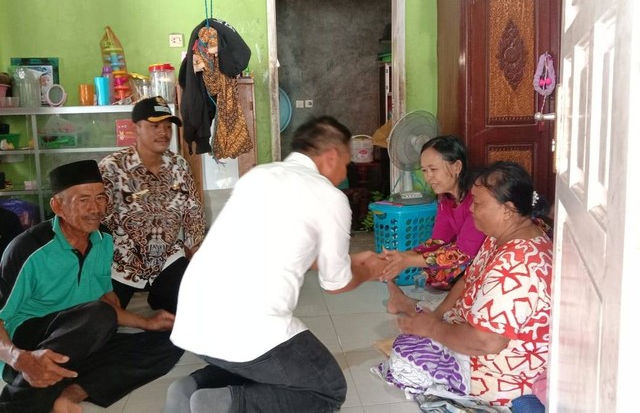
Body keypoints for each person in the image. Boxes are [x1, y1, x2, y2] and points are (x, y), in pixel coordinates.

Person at [165, 116, 387, 413]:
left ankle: (190, 389)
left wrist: (343, 262)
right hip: (249, 325)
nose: (343, 173)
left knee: (255, 365)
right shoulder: (329, 196)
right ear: (332, 156)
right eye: (345, 163)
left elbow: (276, 250)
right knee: (327, 388)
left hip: (195, 317)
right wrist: (371, 270)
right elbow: (337, 283)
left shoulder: (259, 176)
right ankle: (220, 404)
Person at [0, 160, 183, 413]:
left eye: (100, 198)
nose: (95, 208)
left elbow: (104, 304)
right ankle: (17, 403)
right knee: (99, 315)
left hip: (82, 339)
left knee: (172, 341)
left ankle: (70, 393)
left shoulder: (103, 239)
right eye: (83, 200)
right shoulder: (27, 249)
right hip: (30, 350)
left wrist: (148, 323)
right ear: (58, 206)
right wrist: (18, 359)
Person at [381, 161, 552, 408]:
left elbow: (487, 342)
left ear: (507, 210)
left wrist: (432, 329)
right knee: (417, 329)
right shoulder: (504, 237)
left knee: (403, 358)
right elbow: (467, 279)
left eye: (479, 203)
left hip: (501, 375)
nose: (471, 209)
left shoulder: (516, 265)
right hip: (475, 332)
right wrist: (437, 317)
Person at [99, 96, 205, 314]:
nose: (164, 132)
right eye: (155, 125)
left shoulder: (178, 166)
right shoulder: (113, 167)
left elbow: (192, 211)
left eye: (167, 126)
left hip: (168, 259)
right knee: (103, 319)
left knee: (195, 305)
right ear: (136, 128)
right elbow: (98, 220)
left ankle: (160, 297)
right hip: (123, 264)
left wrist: (195, 250)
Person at [381, 135, 485, 289]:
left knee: (442, 269)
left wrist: (408, 260)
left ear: (457, 167)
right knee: (434, 271)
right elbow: (438, 240)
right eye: (424, 170)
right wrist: (404, 255)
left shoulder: (477, 197)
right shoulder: (445, 198)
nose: (428, 177)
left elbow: (464, 253)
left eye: (433, 169)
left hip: (487, 255)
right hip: (467, 253)